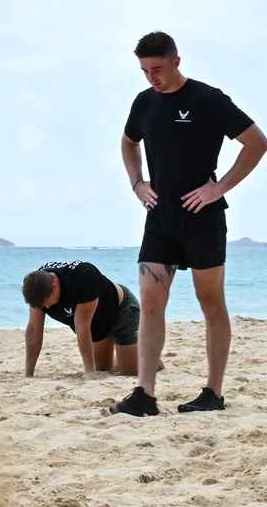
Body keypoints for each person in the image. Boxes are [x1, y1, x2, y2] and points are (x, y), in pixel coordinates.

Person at [111, 31, 267, 416]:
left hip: (202, 219)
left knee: (211, 303)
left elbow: (257, 142)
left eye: (158, 69)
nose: (152, 77)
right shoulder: (144, 103)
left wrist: (219, 188)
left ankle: (213, 393)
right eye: (145, 70)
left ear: (176, 62)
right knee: (149, 302)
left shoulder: (208, 99)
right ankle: (145, 395)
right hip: (160, 218)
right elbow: (128, 142)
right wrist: (137, 182)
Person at [23, 261, 143, 379]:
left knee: (131, 372)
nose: (47, 308)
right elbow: (34, 330)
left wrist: (89, 373)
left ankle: (144, 357)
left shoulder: (84, 278)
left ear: (54, 287)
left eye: (46, 303)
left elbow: (82, 326)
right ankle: (127, 356)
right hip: (97, 326)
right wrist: (29, 374)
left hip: (121, 313)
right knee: (103, 369)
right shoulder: (36, 287)